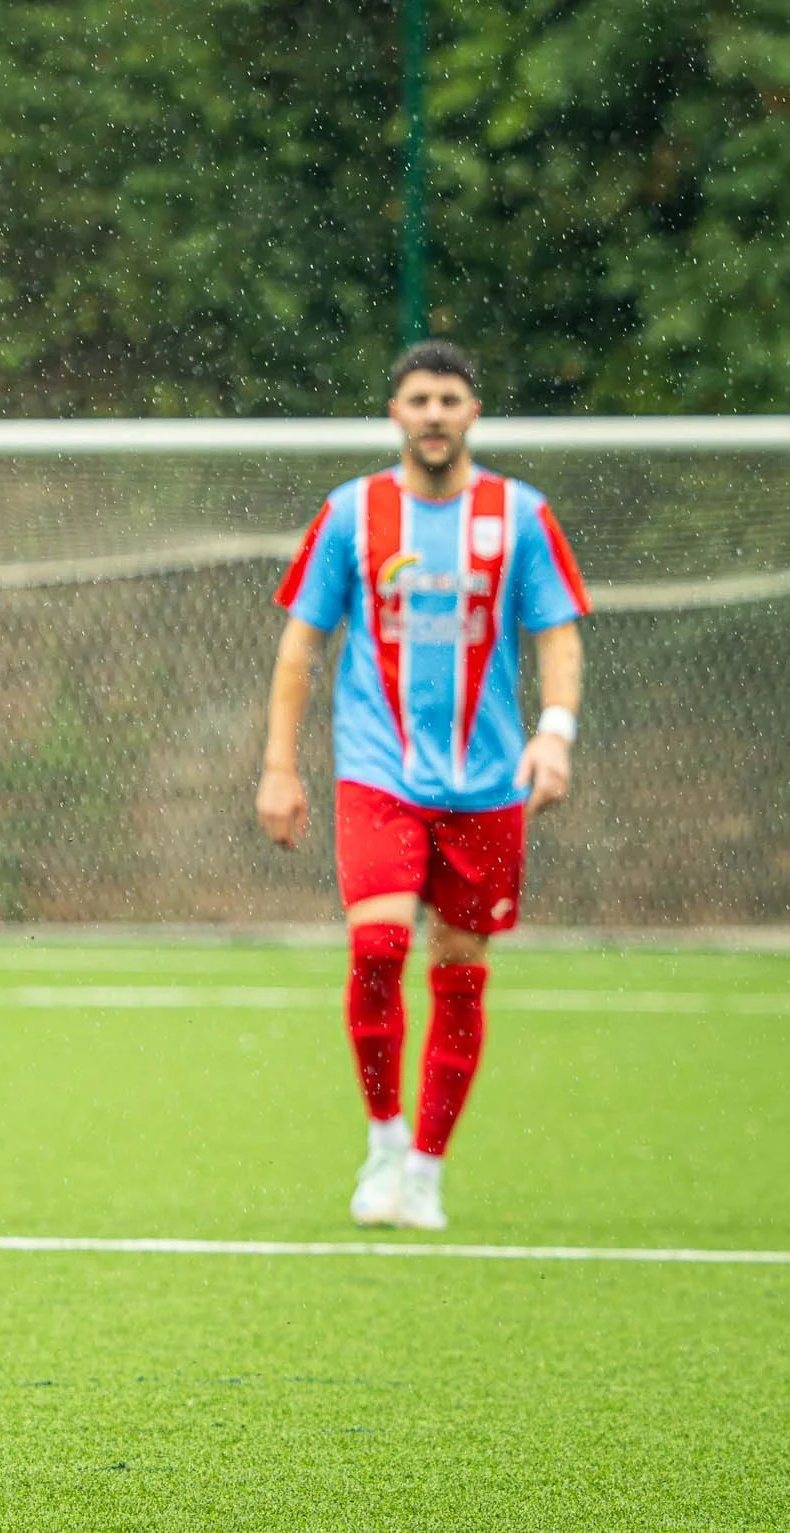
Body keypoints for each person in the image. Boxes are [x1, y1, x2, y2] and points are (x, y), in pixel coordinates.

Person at [256, 340, 587, 1232]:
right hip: (379, 772)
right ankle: (385, 1138)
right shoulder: (353, 514)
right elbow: (302, 643)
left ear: (472, 411)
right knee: (377, 951)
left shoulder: (520, 516)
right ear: (395, 414)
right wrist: (280, 766)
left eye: (449, 398)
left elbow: (557, 633)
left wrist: (554, 735)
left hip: (487, 786)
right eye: (418, 399)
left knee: (462, 975)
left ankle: (430, 1166)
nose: (434, 413)